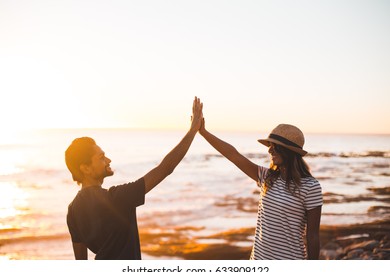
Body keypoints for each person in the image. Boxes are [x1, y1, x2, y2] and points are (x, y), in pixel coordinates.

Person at [64, 97, 203, 260]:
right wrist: (193, 130)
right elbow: (165, 168)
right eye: (101, 157)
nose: (108, 160)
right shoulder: (115, 198)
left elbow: (81, 263)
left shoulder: (72, 210)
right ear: (85, 168)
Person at [199, 121, 323, 260]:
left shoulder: (311, 186)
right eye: (270, 146)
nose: (270, 150)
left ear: (289, 151)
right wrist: (203, 132)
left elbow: (313, 235)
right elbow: (233, 155)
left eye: (275, 146)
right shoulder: (267, 177)